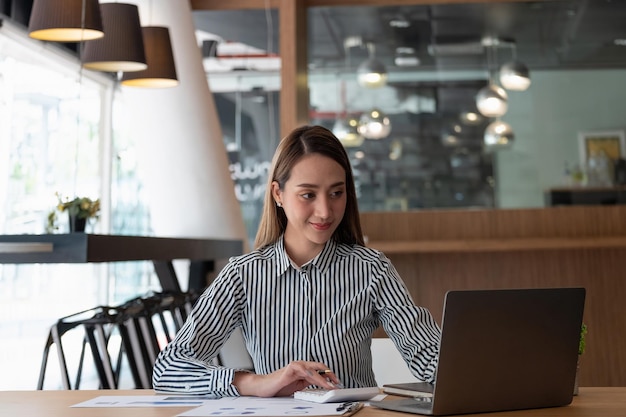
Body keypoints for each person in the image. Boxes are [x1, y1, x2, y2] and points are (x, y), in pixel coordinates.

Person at [152, 125, 441, 397]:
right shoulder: (243, 275)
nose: (325, 211)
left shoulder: (372, 270)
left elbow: (430, 357)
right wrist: (257, 382)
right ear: (278, 193)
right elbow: (169, 370)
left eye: (336, 193)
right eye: (308, 194)